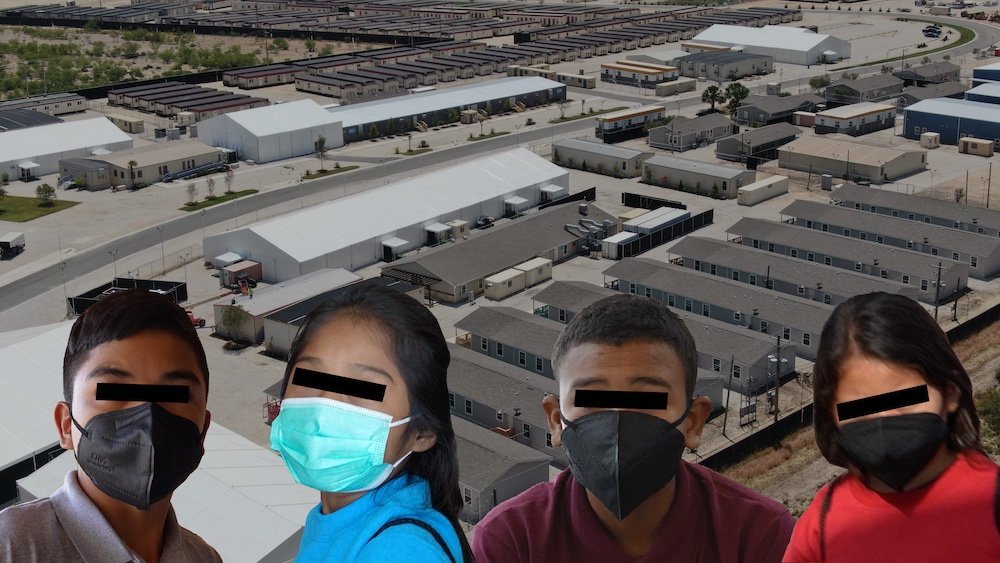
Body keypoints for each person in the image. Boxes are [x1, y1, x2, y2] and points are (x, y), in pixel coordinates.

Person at [473, 294, 794, 562]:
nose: (617, 420)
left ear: (693, 421)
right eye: (593, 397)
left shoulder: (757, 534)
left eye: (648, 398)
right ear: (556, 421)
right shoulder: (511, 541)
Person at [0, 289, 220, 562]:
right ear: (66, 426)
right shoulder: (11, 547)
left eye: (175, 393)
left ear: (203, 433)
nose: (147, 415)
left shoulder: (203, 557)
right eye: (114, 392)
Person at [784, 292, 1000, 562]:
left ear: (950, 393)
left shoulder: (990, 501)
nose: (884, 418)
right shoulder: (822, 522)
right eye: (860, 407)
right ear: (831, 416)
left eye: (905, 399)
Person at [269, 284, 472, 562]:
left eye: (363, 388)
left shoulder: (401, 552)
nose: (325, 405)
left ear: (422, 432)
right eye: (309, 378)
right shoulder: (343, 518)